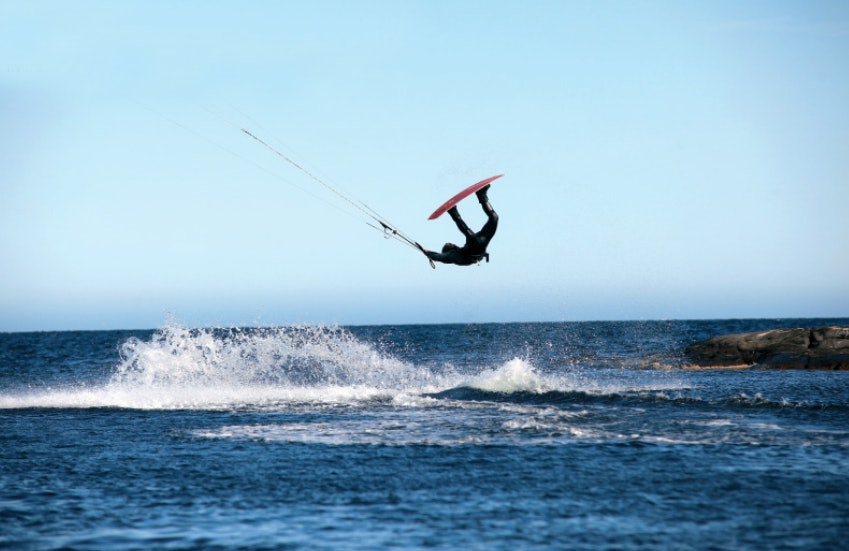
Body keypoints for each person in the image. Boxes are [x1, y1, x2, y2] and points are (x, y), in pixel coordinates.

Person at [422, 185, 498, 266]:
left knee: (494, 218)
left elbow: (438, 256)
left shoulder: (456, 253)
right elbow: (440, 257)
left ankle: (481, 195)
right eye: (450, 245)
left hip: (478, 243)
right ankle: (453, 211)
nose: (452, 244)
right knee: (493, 219)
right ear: (449, 251)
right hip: (475, 248)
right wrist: (429, 254)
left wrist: (428, 252)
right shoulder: (452, 256)